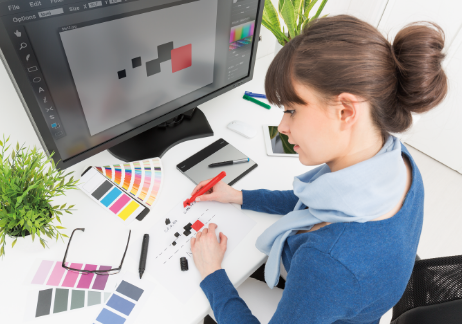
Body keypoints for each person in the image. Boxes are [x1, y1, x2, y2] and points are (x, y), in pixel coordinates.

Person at [190, 15, 448, 324]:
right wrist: (239, 195)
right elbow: (312, 201)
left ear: (345, 111)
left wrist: (212, 274)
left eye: (292, 111)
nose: (283, 127)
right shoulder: (396, 160)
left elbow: (324, 258)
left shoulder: (327, 264)